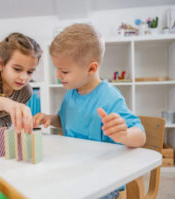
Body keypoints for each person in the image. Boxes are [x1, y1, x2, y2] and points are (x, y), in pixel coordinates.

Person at [33, 24, 146, 198]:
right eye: (56, 69)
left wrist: (123, 134)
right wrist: (50, 118)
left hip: (103, 179)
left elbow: (140, 136)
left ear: (91, 69)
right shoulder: (72, 92)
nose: (57, 75)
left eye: (64, 71)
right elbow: (64, 120)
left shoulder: (109, 97)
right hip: (75, 170)